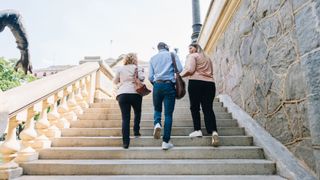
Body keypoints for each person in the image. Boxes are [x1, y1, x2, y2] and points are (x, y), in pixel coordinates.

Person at [180, 43, 219, 146]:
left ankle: (198, 130)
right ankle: (213, 131)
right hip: (210, 84)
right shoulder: (208, 58)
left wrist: (179, 76)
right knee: (208, 108)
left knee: (195, 107)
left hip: (196, 83)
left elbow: (190, 70)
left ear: (196, 48)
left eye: (191, 48)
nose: (189, 50)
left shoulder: (193, 56)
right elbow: (211, 71)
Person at [149, 42, 183, 150]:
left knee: (157, 109)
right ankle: (165, 141)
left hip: (157, 85)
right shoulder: (172, 55)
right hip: (169, 85)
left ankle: (157, 124)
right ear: (166, 47)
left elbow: (150, 77)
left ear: (158, 49)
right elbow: (180, 69)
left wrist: (156, 83)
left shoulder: (153, 58)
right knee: (168, 115)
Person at [113, 53, 145, 149]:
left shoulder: (120, 68)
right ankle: (136, 131)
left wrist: (122, 81)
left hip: (122, 94)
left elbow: (115, 81)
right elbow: (142, 78)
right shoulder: (138, 68)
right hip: (135, 93)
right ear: (135, 59)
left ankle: (126, 143)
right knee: (137, 112)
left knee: (125, 119)